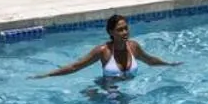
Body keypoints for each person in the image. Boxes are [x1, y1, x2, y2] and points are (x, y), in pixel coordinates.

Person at [35, 15, 178, 80]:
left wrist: (170, 64)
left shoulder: (133, 47)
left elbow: (150, 60)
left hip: (131, 89)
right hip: (108, 91)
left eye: (126, 28)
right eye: (120, 30)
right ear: (111, 32)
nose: (125, 32)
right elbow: (76, 67)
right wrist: (48, 75)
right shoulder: (103, 51)